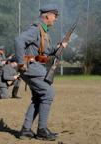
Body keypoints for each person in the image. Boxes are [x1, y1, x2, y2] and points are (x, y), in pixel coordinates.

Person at [14, 3, 68, 141]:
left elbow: (45, 52)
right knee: (48, 93)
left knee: (38, 98)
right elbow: (19, 40)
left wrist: (58, 47)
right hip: (31, 67)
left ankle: (26, 130)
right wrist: (21, 63)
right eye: (55, 16)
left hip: (36, 67)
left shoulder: (43, 30)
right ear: (47, 15)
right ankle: (42, 130)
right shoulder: (36, 28)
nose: (55, 19)